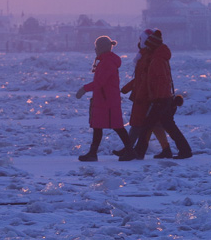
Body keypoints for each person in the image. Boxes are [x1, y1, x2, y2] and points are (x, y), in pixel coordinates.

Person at [132, 29, 193, 160]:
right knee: (169, 125)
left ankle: (139, 152)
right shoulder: (160, 57)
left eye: (148, 45)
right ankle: (185, 150)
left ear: (152, 45)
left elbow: (160, 80)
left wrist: (157, 99)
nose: (146, 47)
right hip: (165, 98)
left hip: (160, 99)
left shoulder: (157, 60)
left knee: (147, 125)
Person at [75, 36, 133, 162]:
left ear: (101, 48)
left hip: (108, 101)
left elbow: (100, 82)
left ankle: (130, 151)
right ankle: (93, 153)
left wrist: (84, 89)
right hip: (104, 99)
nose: (95, 50)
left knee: (117, 126)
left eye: (96, 47)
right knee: (98, 126)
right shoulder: (105, 61)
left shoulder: (107, 63)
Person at [118, 29, 173, 160]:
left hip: (146, 95)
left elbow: (146, 78)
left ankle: (131, 150)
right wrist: (127, 88)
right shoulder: (145, 55)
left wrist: (144, 94)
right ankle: (165, 149)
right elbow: (140, 77)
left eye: (140, 40)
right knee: (153, 124)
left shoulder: (149, 57)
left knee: (141, 124)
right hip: (145, 94)